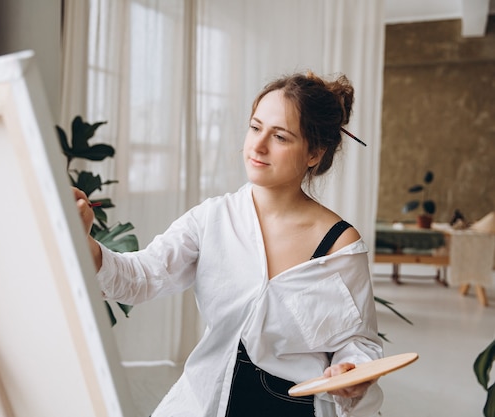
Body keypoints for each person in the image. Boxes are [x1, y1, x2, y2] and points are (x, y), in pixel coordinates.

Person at [74, 71, 383, 417]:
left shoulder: (340, 245)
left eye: (280, 136)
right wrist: (82, 240)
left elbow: (358, 342)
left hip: (296, 407)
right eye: (255, 127)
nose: (258, 145)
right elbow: (141, 277)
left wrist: (352, 371)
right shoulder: (212, 219)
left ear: (314, 153)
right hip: (210, 400)